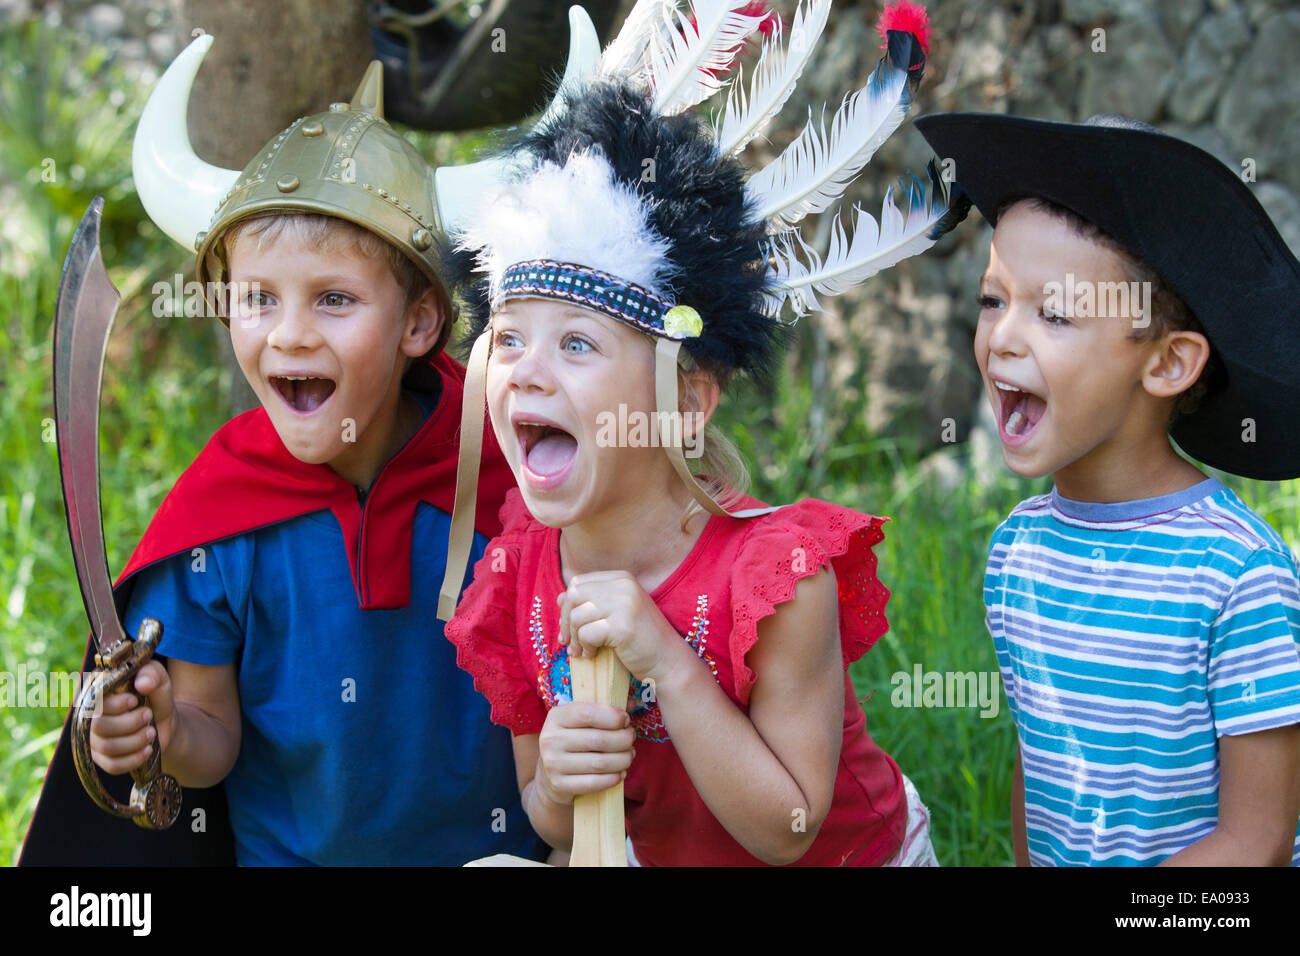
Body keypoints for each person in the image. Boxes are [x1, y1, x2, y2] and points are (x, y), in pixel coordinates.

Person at [438, 2, 954, 865]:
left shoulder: (776, 580)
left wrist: (668, 663)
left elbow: (790, 828)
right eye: (511, 338)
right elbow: (559, 829)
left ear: (686, 403)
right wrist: (559, 782)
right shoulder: (519, 573)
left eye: (576, 343)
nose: (525, 370)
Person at [20, 38, 544, 866]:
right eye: (258, 298)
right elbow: (212, 739)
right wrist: (161, 728)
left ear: (419, 324)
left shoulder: (519, 480)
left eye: (334, 299)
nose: (291, 331)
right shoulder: (219, 520)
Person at [915, 111, 1300, 866]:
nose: (1004, 338)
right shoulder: (1017, 554)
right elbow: (1040, 767)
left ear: (1164, 365)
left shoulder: (1235, 575)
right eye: (995, 300)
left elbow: (1257, 839)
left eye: (1053, 314)